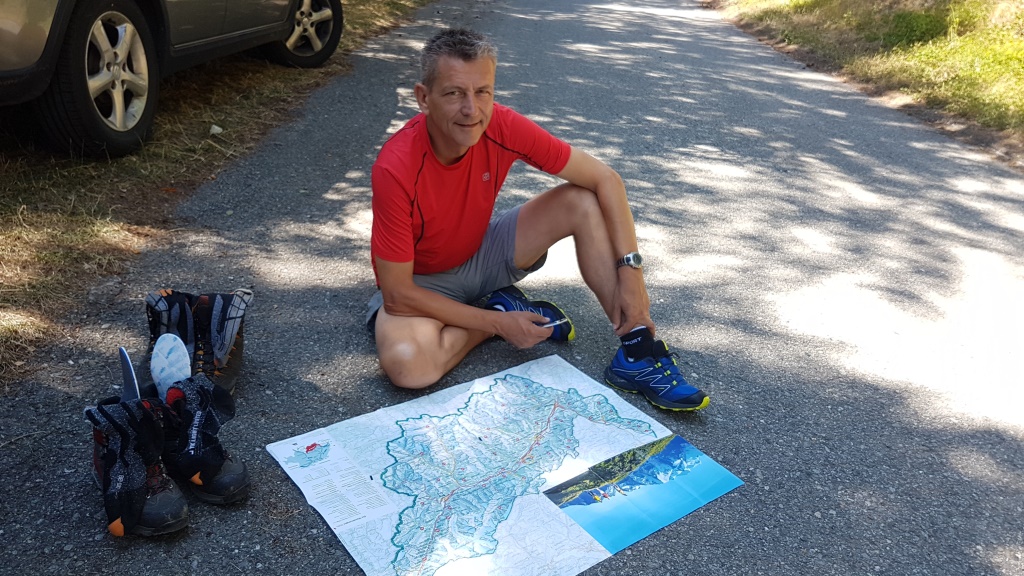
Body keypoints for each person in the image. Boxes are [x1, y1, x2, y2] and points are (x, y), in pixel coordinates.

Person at [366, 28, 709, 411]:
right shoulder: (395, 168)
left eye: (483, 92)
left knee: (581, 199)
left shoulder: (501, 125)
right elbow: (397, 297)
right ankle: (499, 312)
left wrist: (631, 274)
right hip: (421, 285)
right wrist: (495, 325)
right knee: (409, 368)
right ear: (423, 98)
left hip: (482, 254)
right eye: (454, 93)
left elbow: (605, 178)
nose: (472, 110)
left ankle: (638, 349)